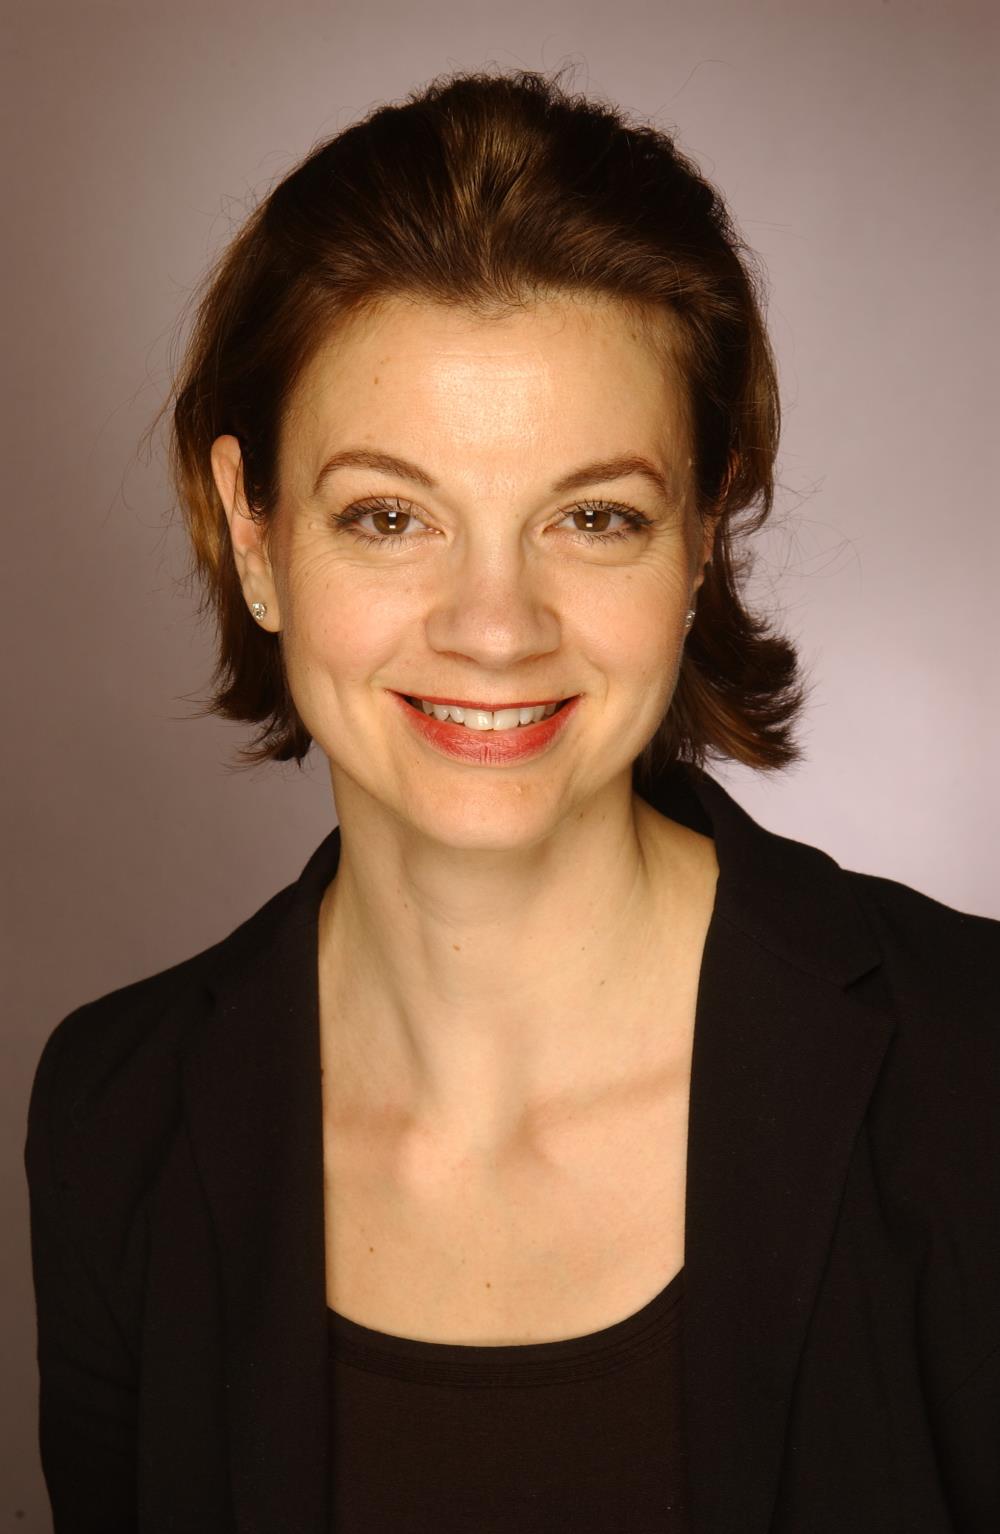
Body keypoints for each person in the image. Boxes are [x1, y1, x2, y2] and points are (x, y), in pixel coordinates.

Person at [24, 66, 999, 1534]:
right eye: (388, 515)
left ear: (701, 541)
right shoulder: (115, 1117)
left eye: (594, 516)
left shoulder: (976, 1069)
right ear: (256, 535)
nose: (495, 627)